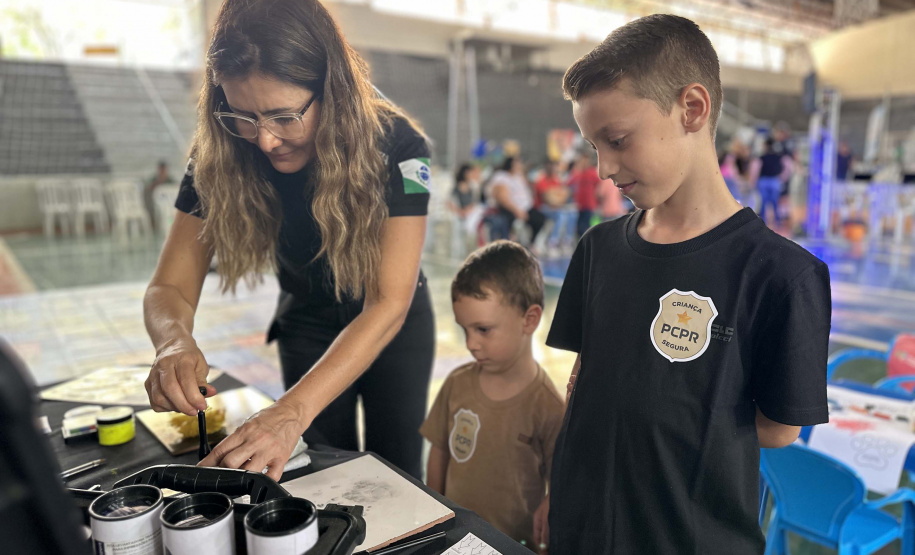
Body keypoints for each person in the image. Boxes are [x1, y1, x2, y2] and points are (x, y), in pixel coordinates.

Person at [543, 14, 830, 554]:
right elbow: (585, 381)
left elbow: (778, 428)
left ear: (692, 109)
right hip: (579, 528)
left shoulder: (781, 275)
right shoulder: (598, 250)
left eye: (618, 140)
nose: (604, 167)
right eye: (594, 147)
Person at [142, 0, 435, 480]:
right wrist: (172, 343)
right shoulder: (220, 150)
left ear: (331, 91)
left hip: (390, 323)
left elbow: (389, 302)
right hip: (306, 318)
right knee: (318, 474)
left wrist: (290, 412)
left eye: (283, 116)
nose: (264, 141)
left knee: (397, 471)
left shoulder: (397, 145)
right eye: (242, 115)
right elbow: (168, 288)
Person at [420, 240, 564, 551]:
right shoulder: (456, 385)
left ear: (529, 320)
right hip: (456, 540)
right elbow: (440, 453)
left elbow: (561, 483)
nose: (471, 343)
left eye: (483, 330)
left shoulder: (548, 406)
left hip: (514, 543)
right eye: (464, 330)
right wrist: (435, 513)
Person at [485, 157, 545, 243]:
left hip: (525, 207)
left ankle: (532, 243)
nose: (520, 166)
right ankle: (509, 240)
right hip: (508, 208)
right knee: (508, 220)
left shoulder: (519, 176)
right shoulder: (501, 177)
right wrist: (517, 211)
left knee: (539, 219)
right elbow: (503, 199)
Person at [533, 160, 574, 255]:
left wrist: (557, 199)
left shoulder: (556, 180)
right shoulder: (541, 181)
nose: (552, 169)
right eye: (550, 166)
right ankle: (552, 243)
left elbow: (563, 195)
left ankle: (566, 241)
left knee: (572, 213)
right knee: (561, 215)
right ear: (546, 167)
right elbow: (548, 199)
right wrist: (557, 198)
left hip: (556, 207)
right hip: (542, 208)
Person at [450, 163, 485, 250]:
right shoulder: (457, 187)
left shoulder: (473, 186)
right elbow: (450, 202)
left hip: (472, 212)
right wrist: (460, 211)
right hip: (462, 214)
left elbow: (477, 202)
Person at [752, 137, 785, 226]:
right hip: (774, 180)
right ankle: (777, 221)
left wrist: (754, 181)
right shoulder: (778, 156)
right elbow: (785, 167)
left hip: (764, 180)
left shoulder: (762, 157)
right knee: (775, 202)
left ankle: (763, 222)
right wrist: (782, 178)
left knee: (763, 202)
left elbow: (757, 169)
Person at [566, 151, 600, 237]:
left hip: (589, 205)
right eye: (581, 161)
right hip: (579, 205)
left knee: (587, 227)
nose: (583, 162)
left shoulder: (593, 173)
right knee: (578, 228)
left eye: (585, 160)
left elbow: (599, 187)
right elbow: (568, 184)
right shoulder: (577, 173)